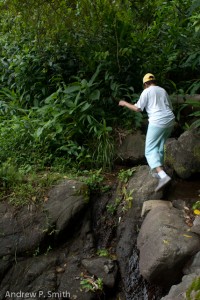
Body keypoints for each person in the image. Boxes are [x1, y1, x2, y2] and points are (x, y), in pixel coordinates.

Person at [119, 73, 175, 192]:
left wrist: (124, 103)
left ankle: (163, 176)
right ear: (154, 81)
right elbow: (170, 106)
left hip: (157, 121)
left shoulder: (147, 91)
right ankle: (158, 170)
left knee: (149, 150)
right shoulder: (163, 90)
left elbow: (138, 108)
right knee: (159, 144)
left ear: (145, 84)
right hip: (170, 120)